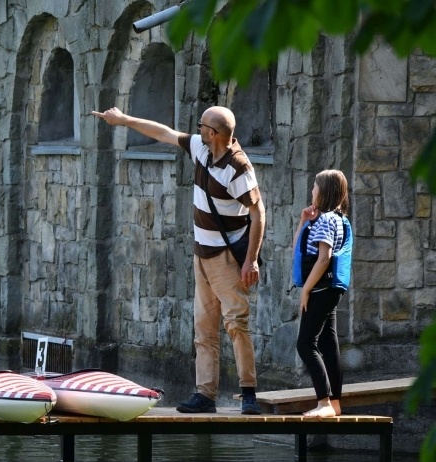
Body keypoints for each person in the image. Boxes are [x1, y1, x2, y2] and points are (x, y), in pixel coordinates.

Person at [92, 105, 265, 415]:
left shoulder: (238, 167)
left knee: (237, 324)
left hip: (227, 259)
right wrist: (123, 120)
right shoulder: (200, 147)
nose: (197, 130)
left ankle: (248, 393)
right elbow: (164, 132)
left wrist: (250, 260)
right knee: (204, 329)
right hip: (202, 256)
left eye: (201, 126)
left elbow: (258, 212)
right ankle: (206, 395)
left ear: (213, 133)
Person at [292, 170, 351, 418]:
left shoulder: (326, 221)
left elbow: (324, 258)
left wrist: (306, 290)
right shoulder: (333, 219)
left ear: (324, 192)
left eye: (315, 188)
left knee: (305, 343)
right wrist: (303, 221)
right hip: (329, 290)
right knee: (328, 342)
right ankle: (334, 402)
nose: (312, 192)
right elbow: (298, 248)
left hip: (321, 289)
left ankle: (324, 401)